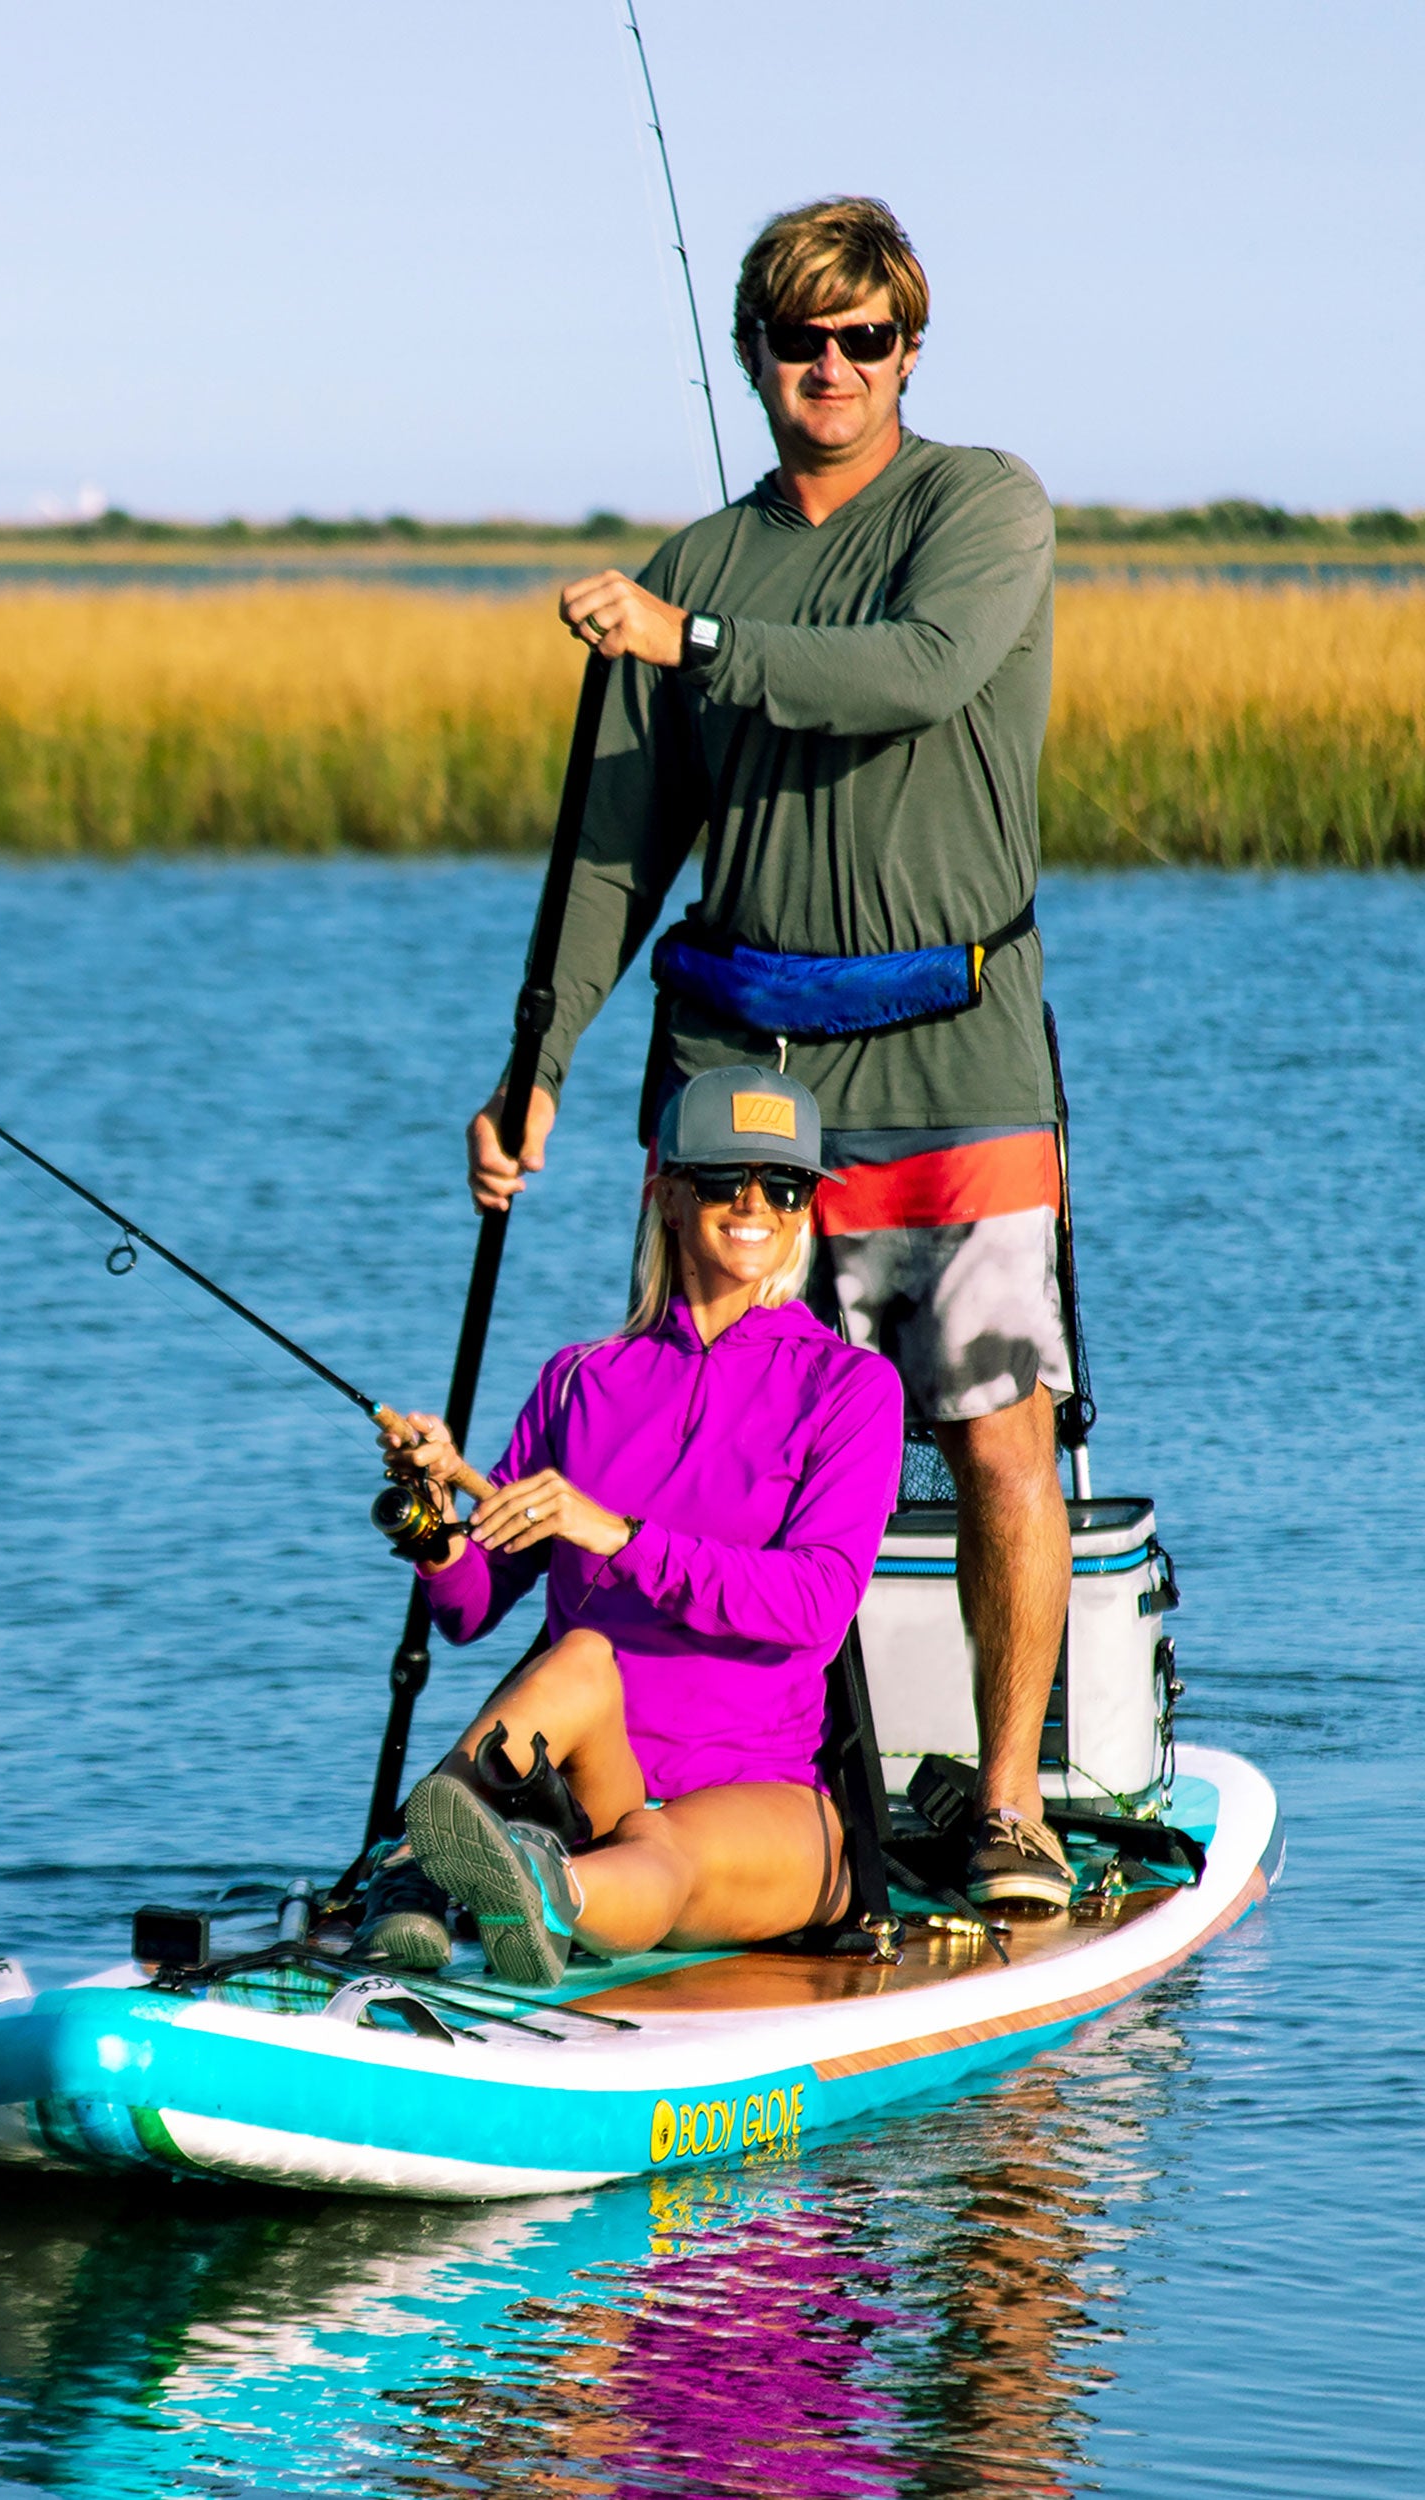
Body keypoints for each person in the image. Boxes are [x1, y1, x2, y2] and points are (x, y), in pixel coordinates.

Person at [465, 195, 1076, 1911]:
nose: (832, 367)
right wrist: (539, 1062)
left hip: (956, 1056)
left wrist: (702, 644)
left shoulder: (980, 507)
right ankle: (685, 1821)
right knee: (702, 1445)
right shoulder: (692, 567)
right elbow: (614, 848)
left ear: (908, 350)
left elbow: (919, 671)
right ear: (755, 354)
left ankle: (1007, 1805)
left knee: (994, 1429)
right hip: (741, 1067)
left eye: (863, 339)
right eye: (800, 339)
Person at [370, 1064, 902, 1988]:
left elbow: (816, 1602)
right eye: (724, 1178)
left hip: (762, 1800)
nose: (755, 1204)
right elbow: (470, 1606)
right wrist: (433, 1524)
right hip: (597, 1782)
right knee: (578, 1658)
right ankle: (421, 1871)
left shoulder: (850, 1387)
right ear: (668, 1196)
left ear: (806, 1209)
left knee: (661, 1844)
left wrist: (620, 1536)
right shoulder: (581, 1381)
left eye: (784, 1185)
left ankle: (535, 1891)